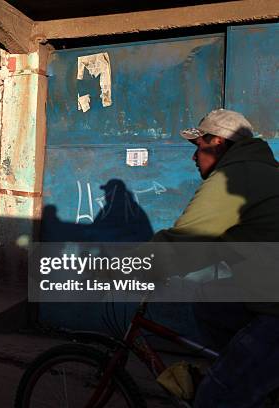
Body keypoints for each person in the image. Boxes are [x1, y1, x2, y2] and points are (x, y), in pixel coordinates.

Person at [150, 109, 279, 407]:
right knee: (210, 299)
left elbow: (184, 243)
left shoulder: (234, 177)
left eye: (198, 148)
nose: (194, 158)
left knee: (214, 397)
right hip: (264, 294)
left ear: (218, 143)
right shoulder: (266, 170)